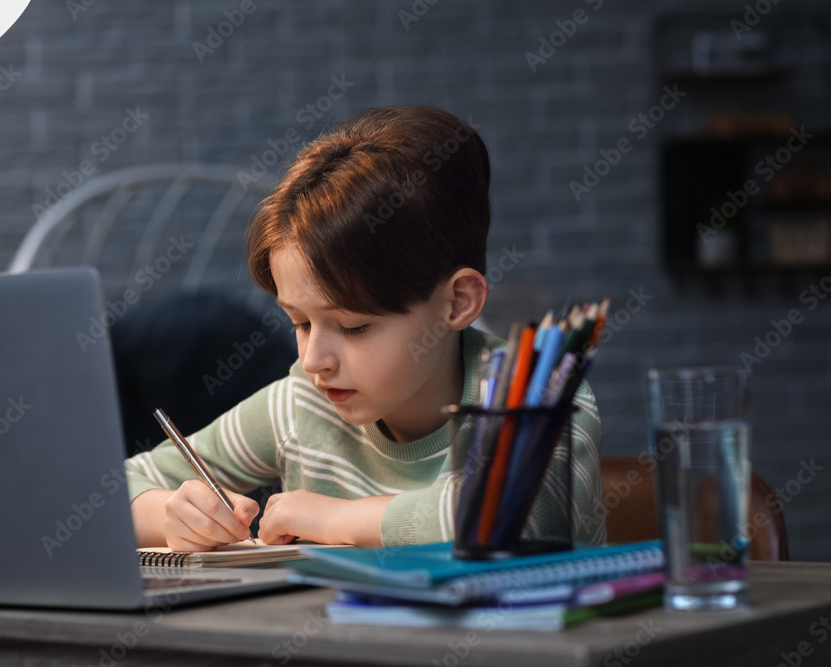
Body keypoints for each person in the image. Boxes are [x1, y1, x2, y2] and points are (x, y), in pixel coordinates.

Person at [125, 105, 604, 550]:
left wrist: (330, 520)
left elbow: (503, 516)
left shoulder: (542, 399)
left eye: (353, 326)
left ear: (457, 302)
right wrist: (169, 514)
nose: (313, 361)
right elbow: (111, 488)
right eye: (300, 322)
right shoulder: (300, 406)